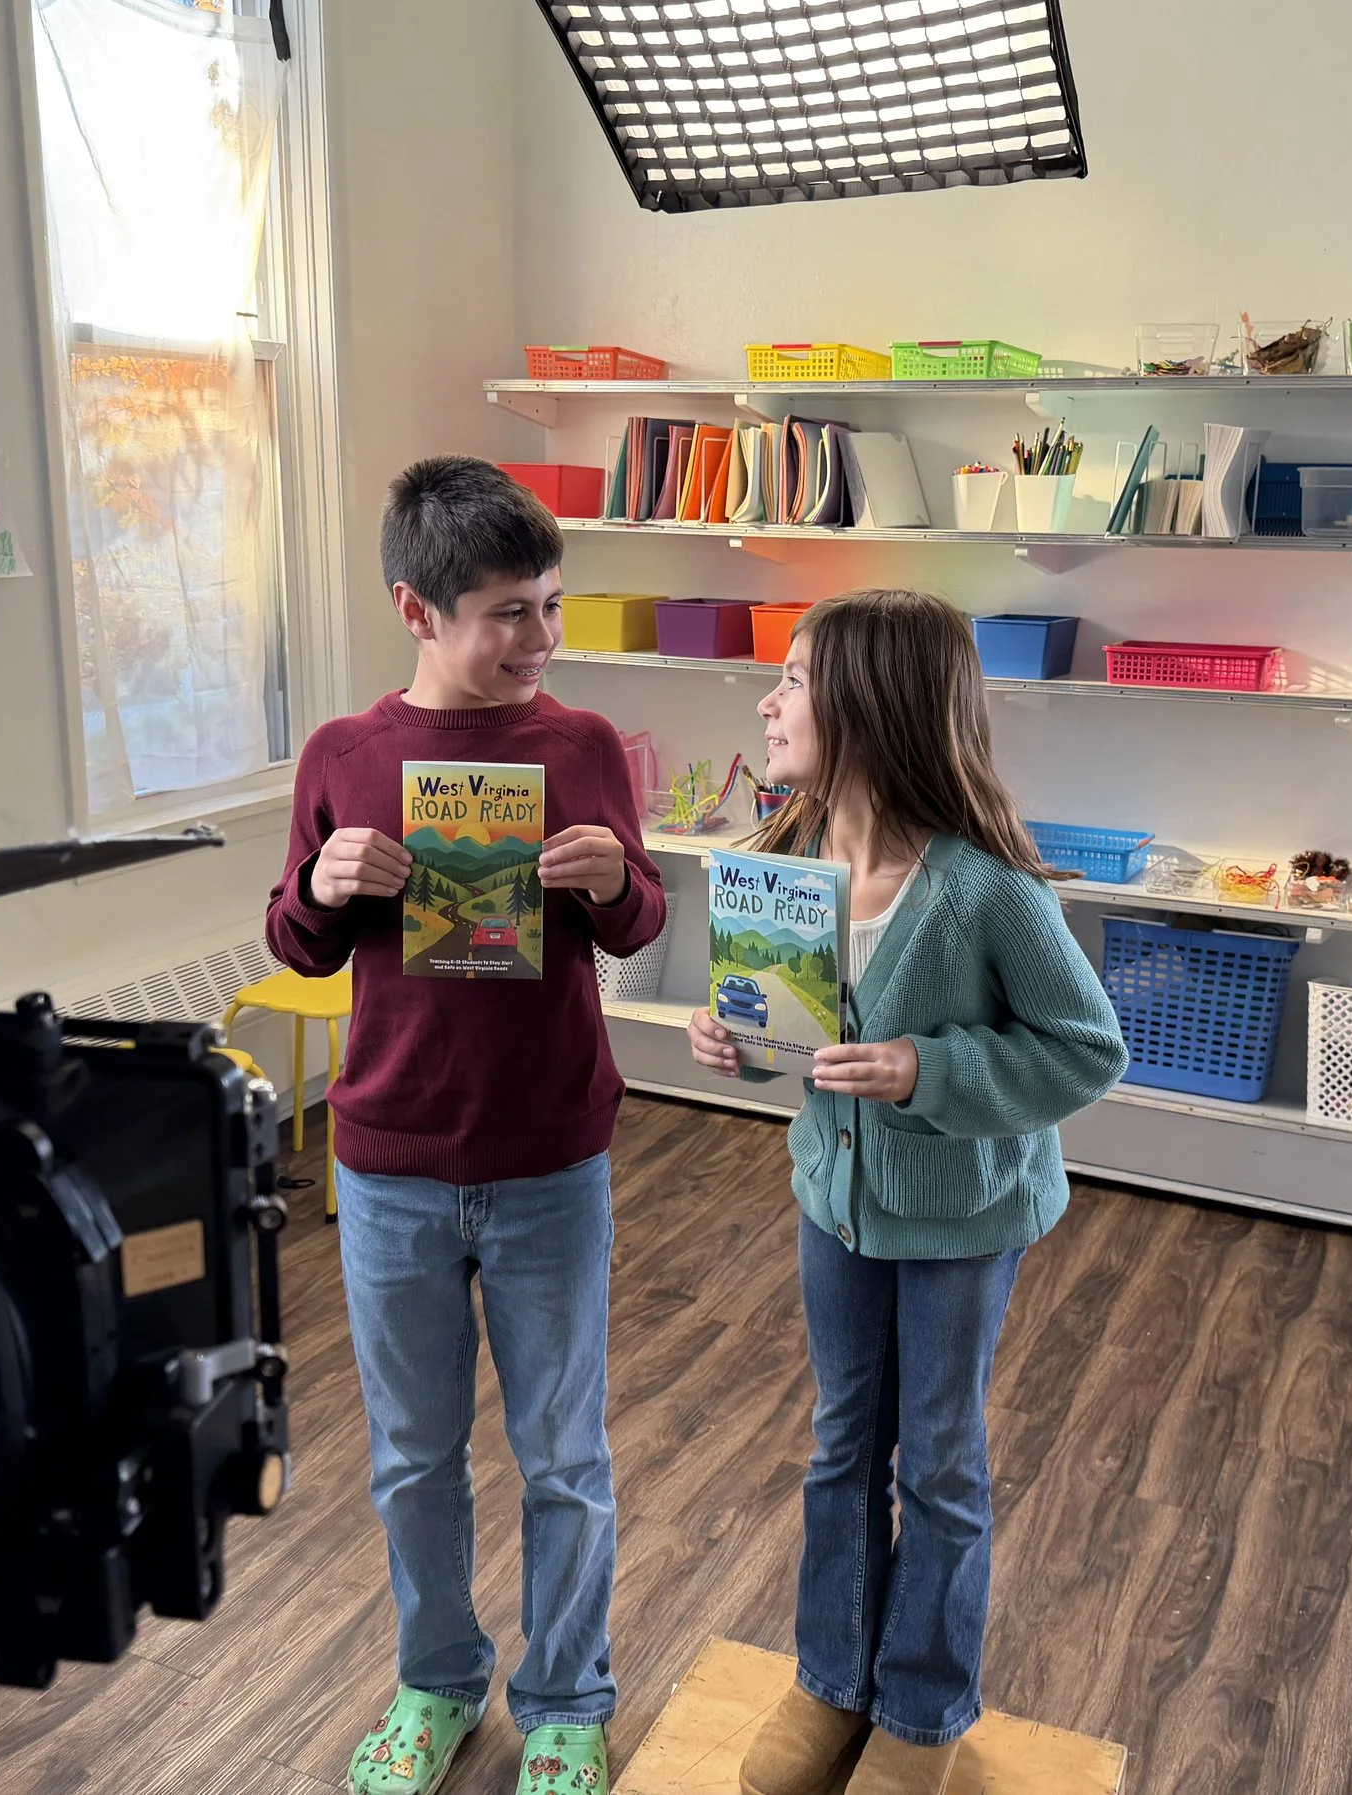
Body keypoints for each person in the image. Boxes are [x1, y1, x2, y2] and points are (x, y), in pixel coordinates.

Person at [268, 457, 664, 1795]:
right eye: (507, 611)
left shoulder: (584, 745)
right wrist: (324, 884)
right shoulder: (345, 755)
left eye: (551, 605)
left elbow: (640, 918)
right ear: (416, 608)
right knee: (412, 1456)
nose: (540, 641)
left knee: (567, 1453)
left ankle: (566, 1698)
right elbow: (298, 942)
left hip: (553, 1155)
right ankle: (436, 1680)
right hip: (390, 1167)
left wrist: (617, 880)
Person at [688, 590, 1127, 1795]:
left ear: (872, 707)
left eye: (791, 680)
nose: (767, 703)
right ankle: (833, 1684)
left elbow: (1087, 1051)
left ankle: (921, 1714)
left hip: (962, 1220)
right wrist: (727, 1036)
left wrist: (929, 1069)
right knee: (841, 1447)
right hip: (833, 1205)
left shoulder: (987, 889)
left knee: (935, 1462)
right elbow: (781, 1025)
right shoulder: (780, 859)